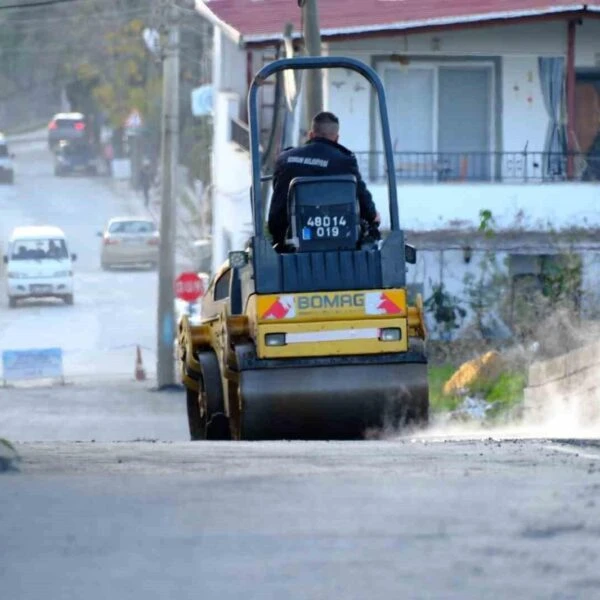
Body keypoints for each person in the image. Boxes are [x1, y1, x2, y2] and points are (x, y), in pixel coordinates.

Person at [268, 111, 380, 249]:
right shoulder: (344, 161)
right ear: (336, 138)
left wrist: (278, 239)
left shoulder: (285, 159)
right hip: (340, 241)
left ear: (311, 135)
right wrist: (373, 215)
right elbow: (362, 197)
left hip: (291, 242)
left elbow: (278, 203)